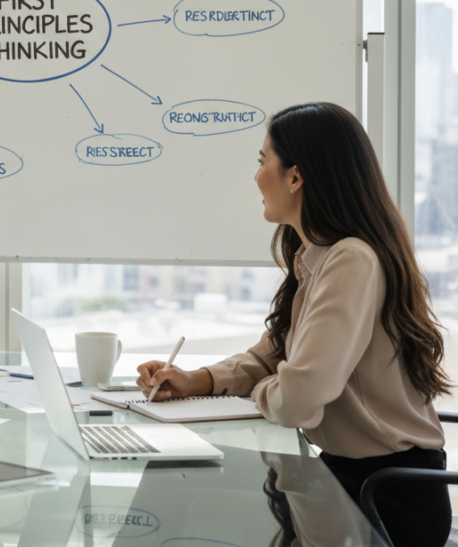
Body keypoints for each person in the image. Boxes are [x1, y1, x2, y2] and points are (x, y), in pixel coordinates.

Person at [135, 102, 452, 547]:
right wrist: (198, 379)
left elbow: (299, 399)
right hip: (344, 477)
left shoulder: (351, 260)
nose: (256, 175)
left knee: (182, 487)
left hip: (384, 497)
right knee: (177, 481)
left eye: (263, 161)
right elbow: (272, 353)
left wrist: (262, 391)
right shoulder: (317, 258)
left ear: (296, 177)